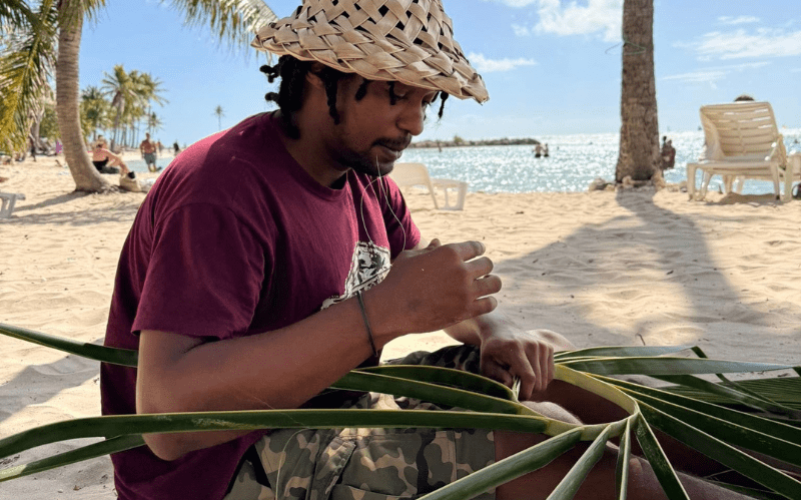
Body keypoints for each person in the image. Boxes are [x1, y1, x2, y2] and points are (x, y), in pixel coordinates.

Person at [101, 1, 756, 500]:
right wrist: (375, 317)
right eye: (396, 92)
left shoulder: (363, 177)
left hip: (343, 402)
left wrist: (498, 328)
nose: (415, 121)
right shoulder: (221, 188)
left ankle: (764, 463)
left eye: (425, 98)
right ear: (320, 75)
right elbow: (167, 418)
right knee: (541, 443)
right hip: (223, 469)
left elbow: (436, 287)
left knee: (556, 373)